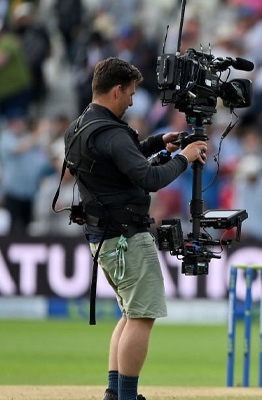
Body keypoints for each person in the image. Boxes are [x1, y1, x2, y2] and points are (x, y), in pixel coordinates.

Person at [62, 57, 208, 400]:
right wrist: (184, 156)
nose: (131, 101)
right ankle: (126, 397)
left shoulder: (80, 126)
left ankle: (115, 394)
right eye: (130, 93)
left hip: (104, 236)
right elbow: (149, 178)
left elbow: (116, 162)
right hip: (126, 236)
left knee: (130, 313)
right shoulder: (112, 133)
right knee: (142, 316)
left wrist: (158, 143)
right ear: (116, 90)